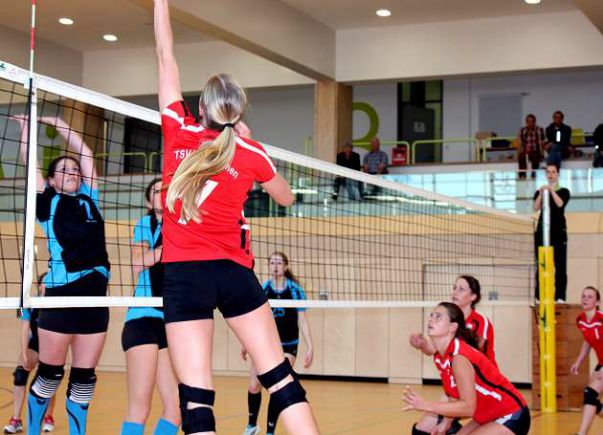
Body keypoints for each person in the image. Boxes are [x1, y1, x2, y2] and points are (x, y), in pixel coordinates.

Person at [153, 1, 319, 434]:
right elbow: (286, 198)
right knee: (280, 380)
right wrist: (251, 144)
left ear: (201, 107)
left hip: (184, 276)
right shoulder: (250, 152)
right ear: (238, 113)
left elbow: (166, 57)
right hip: (233, 272)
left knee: (196, 399)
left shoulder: (178, 131)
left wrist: (160, 4)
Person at [12, 114, 110, 435]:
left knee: (84, 380)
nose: (72, 172)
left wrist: (60, 124)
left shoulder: (90, 198)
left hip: (96, 300)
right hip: (62, 296)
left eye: (75, 170)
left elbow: (87, 155)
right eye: (64, 169)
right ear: (52, 181)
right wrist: (27, 127)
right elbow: (31, 164)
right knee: (50, 375)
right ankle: (32, 429)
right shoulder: (48, 203)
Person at [403, 302, 530, 435]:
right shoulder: (443, 354)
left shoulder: (459, 357)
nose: (431, 319)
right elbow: (454, 394)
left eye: (438, 316)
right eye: (431, 315)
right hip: (488, 415)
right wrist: (446, 422)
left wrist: (426, 405)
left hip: (511, 414)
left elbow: (468, 407)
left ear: (452, 327)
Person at [120, 178, 180, 435]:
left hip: (170, 322)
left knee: (176, 409)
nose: (162, 193)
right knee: (140, 408)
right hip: (142, 319)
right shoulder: (146, 224)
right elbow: (137, 264)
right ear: (148, 202)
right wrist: (172, 247)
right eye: (156, 191)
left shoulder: (182, 226)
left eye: (166, 190)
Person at [409, 276, 495, 433]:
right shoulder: (446, 320)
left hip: (480, 385)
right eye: (455, 287)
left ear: (473, 296)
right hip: (456, 385)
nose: (455, 292)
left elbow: (471, 355)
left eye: (461, 289)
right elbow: (434, 351)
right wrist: (421, 345)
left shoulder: (479, 321)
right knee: (422, 429)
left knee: (446, 421)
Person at [242, 252, 314, 435]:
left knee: (278, 386)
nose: (275, 266)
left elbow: (302, 320)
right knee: (254, 386)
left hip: (289, 344)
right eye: (272, 263)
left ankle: (270, 431)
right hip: (265, 343)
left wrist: (310, 346)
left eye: (279, 263)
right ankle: (252, 426)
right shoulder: (264, 288)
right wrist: (246, 342)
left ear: (286, 266)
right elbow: (254, 318)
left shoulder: (295, 290)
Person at [4, 273, 56, 434]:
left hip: (52, 346)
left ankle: (48, 417)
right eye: (46, 283)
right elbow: (24, 329)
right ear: (39, 286)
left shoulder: (59, 302)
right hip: (34, 345)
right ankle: (16, 420)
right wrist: (24, 354)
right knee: (20, 374)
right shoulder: (28, 303)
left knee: (48, 379)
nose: (49, 285)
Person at [533, 163, 570, 302]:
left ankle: (560, 296)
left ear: (557, 174)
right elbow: (535, 207)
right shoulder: (540, 192)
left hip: (558, 234)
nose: (551, 174)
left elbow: (560, 204)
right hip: (542, 234)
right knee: (542, 265)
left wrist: (551, 191)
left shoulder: (564, 191)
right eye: (548, 172)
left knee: (560, 267)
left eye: (553, 172)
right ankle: (540, 295)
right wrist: (542, 193)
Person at [570, 286, 603, 435]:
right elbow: (588, 340)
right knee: (590, 398)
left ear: (598, 302)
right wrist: (578, 361)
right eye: (583, 296)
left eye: (590, 297)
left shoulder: (601, 319)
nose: (585, 299)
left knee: (590, 393)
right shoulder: (581, 320)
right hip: (601, 362)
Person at [517, 113, 546, 179]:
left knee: (535, 156)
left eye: (532, 121)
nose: (530, 123)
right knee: (521, 157)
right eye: (528, 121)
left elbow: (542, 142)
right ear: (526, 122)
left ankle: (534, 174)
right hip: (526, 150)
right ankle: (522, 175)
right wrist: (519, 152)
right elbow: (520, 142)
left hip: (536, 150)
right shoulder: (523, 130)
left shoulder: (539, 130)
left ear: (534, 122)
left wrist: (542, 153)